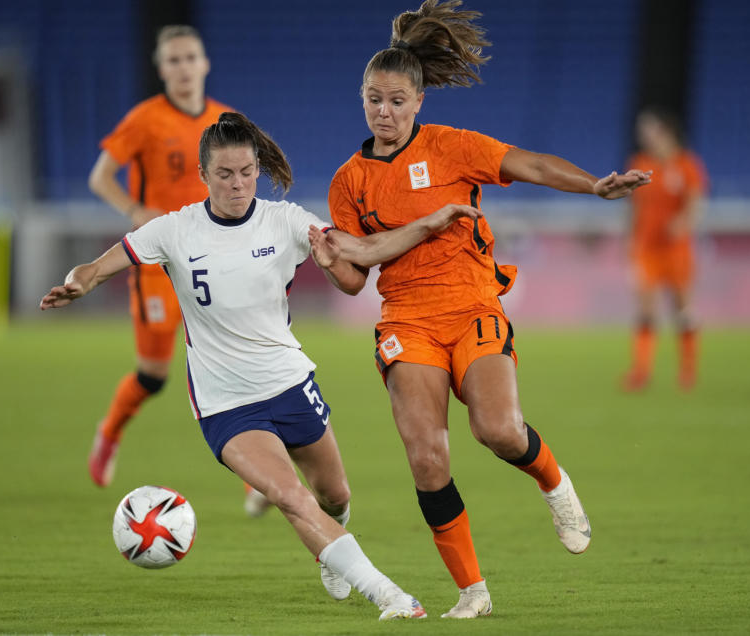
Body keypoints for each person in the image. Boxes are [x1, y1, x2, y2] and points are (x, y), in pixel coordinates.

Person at [42, 112, 482, 619]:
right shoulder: (174, 230)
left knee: (333, 495)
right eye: (225, 174)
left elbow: (362, 253)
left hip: (289, 382)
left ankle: (330, 549)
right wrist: (80, 282)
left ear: (258, 169)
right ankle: (388, 594)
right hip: (225, 403)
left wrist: (425, 225)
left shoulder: (287, 221)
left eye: (247, 171)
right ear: (204, 175)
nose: (238, 184)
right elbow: (99, 265)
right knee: (290, 496)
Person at [312, 0, 650, 619]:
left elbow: (532, 164)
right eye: (372, 99)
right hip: (406, 320)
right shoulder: (349, 180)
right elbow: (355, 281)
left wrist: (594, 186)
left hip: (471, 306)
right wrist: (330, 258)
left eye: (394, 101)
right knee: (427, 456)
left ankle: (554, 482)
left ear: (418, 102)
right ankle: (473, 590)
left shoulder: (453, 147)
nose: (382, 112)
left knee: (498, 430)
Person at [85, 25, 234, 490]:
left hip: (213, 263)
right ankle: (108, 434)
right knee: (153, 376)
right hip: (155, 264)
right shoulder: (146, 119)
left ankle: (256, 478)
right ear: (161, 68)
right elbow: (100, 176)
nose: (184, 67)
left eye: (191, 57)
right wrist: (134, 210)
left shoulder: (225, 121)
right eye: (174, 60)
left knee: (234, 364)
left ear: (205, 63)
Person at [621, 106, 708, 391]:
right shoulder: (639, 163)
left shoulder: (687, 166)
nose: (644, 135)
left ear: (665, 132)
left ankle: (688, 372)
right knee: (646, 310)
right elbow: (633, 207)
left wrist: (682, 223)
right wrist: (630, 239)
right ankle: (641, 372)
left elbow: (695, 204)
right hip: (647, 249)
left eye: (648, 129)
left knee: (682, 309)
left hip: (677, 250)